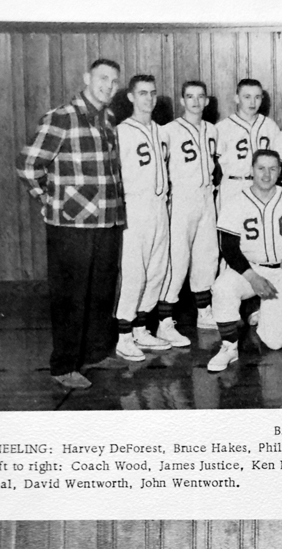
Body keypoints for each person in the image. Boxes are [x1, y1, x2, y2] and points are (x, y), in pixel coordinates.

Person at [16, 59, 124, 390]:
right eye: (103, 78)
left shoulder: (108, 118)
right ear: (86, 78)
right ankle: (63, 366)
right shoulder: (61, 117)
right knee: (71, 297)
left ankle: (94, 353)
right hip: (71, 226)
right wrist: (49, 200)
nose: (109, 85)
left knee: (101, 292)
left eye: (114, 81)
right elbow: (27, 164)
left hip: (106, 220)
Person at [207, 150, 282, 371]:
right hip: (248, 268)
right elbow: (229, 248)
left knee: (274, 342)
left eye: (272, 169)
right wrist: (252, 277)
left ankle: (266, 312)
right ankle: (229, 347)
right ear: (252, 170)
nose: (266, 174)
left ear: (280, 171)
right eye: (261, 168)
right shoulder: (236, 202)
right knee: (222, 287)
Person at [115, 74, 174, 362]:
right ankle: (123, 336)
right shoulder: (121, 132)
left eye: (152, 93)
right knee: (134, 273)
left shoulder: (162, 131)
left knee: (157, 271)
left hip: (160, 206)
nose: (148, 99)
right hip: (135, 207)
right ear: (130, 96)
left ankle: (140, 328)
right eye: (142, 93)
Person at [157, 80, 219, 338]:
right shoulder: (168, 130)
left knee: (207, 255)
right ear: (182, 100)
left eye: (200, 97)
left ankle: (204, 312)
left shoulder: (213, 130)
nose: (195, 101)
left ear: (206, 101)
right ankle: (164, 320)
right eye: (190, 96)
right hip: (182, 197)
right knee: (177, 259)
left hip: (207, 196)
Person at [215, 78, 281, 208]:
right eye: (247, 97)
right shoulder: (222, 127)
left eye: (257, 97)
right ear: (237, 98)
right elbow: (213, 164)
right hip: (234, 185)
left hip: (264, 186)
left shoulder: (270, 126)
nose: (252, 102)